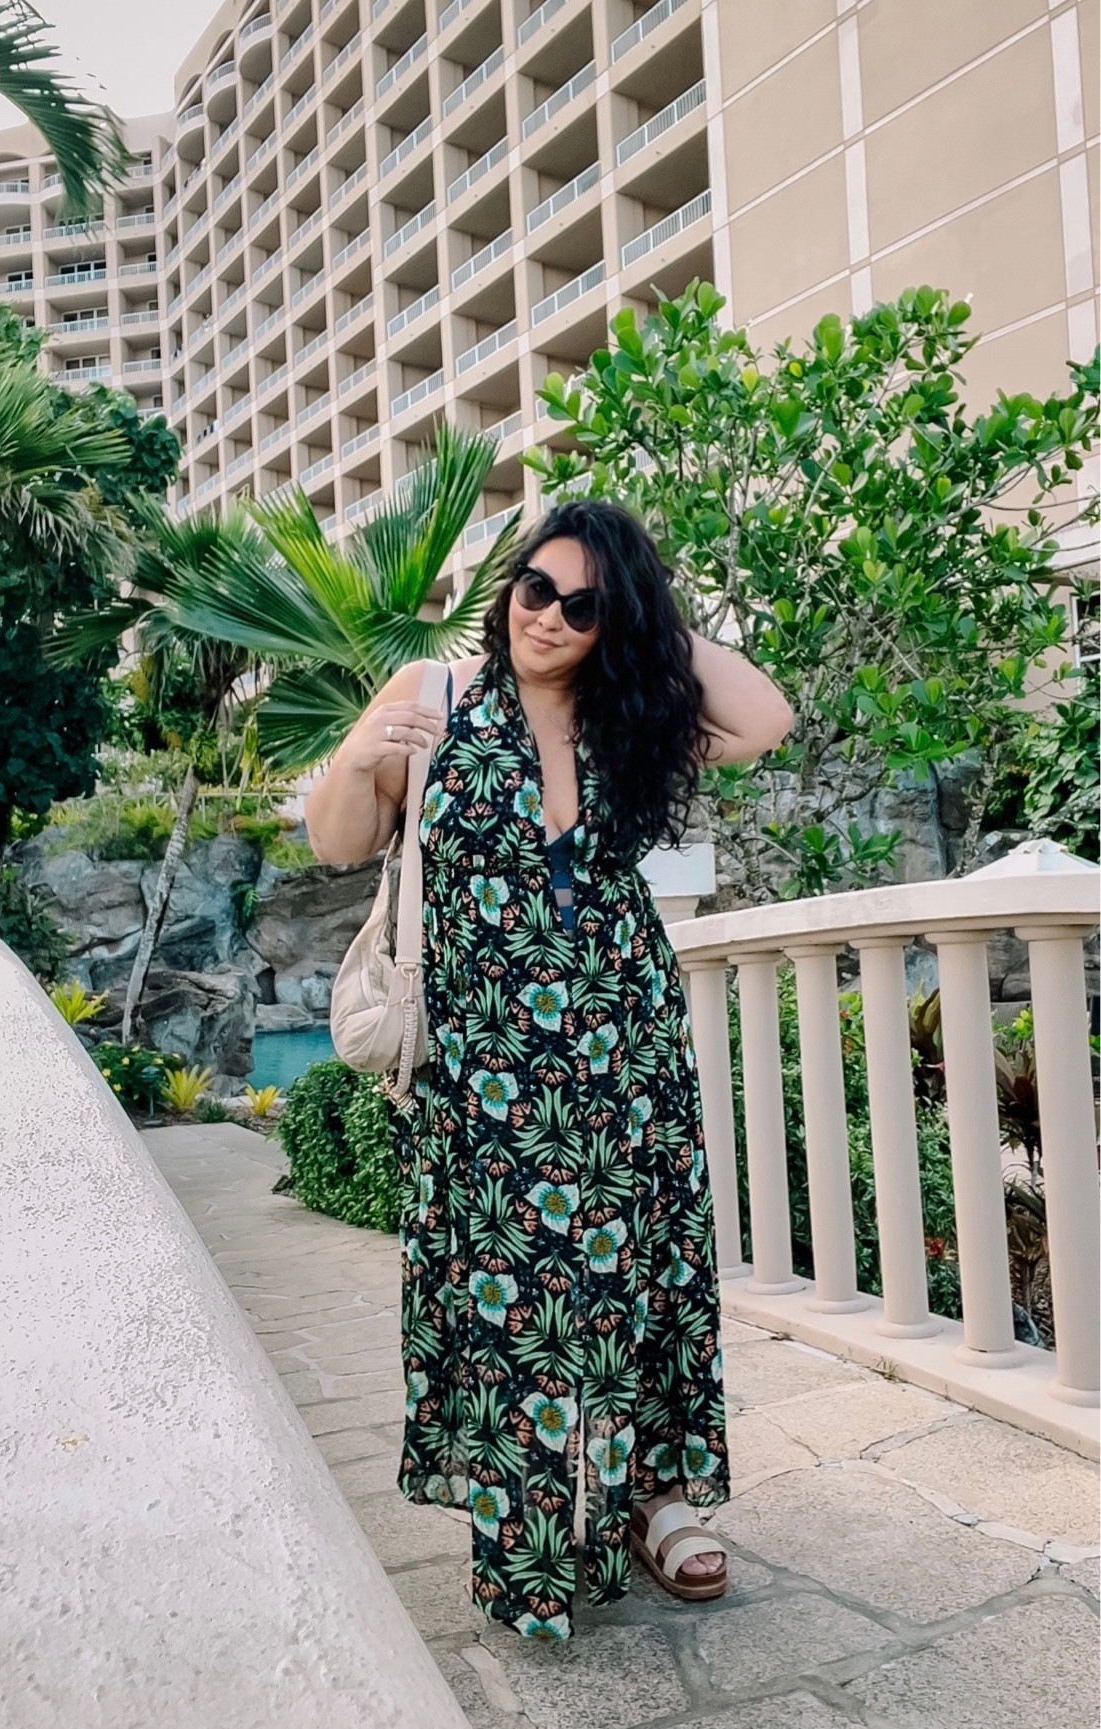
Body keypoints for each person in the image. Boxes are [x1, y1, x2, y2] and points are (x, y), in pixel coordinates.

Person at [307, 499, 793, 1641]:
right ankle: (523, 1534)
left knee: (642, 1267)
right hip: (484, 1067)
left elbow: (764, 715)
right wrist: (359, 756)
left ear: (610, 621)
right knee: (509, 1290)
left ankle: (656, 1499)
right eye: (538, 588)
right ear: (507, 585)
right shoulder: (434, 694)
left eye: (584, 604)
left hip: (624, 1042)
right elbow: (335, 841)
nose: (551, 618)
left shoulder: (634, 714)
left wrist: (649, 622)